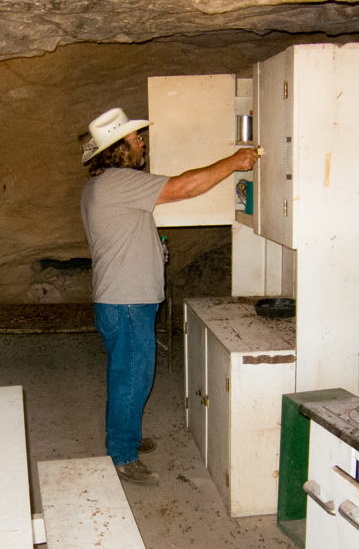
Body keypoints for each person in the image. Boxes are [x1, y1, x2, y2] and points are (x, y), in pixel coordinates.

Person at [80, 107, 258, 486]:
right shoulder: (118, 181)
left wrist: (152, 248)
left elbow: (121, 233)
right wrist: (234, 161)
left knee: (126, 373)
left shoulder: (101, 186)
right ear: (118, 149)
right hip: (127, 301)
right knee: (132, 376)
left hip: (121, 298)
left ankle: (122, 435)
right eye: (134, 137)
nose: (141, 140)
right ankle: (123, 454)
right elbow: (184, 187)